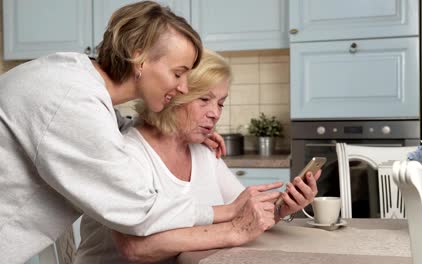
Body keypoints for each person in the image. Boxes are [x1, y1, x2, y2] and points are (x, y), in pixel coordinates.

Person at [0, 2, 227, 262]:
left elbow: (109, 129)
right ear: (138, 58)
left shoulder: (76, 79)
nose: (184, 88)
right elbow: (138, 213)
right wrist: (230, 215)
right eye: (178, 73)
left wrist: (176, 132)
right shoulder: (72, 99)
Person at [74, 50, 321, 264]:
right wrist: (235, 230)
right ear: (172, 96)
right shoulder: (127, 153)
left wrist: (281, 209)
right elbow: (138, 248)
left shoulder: (203, 150)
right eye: (204, 99)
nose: (215, 114)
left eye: (221, 103)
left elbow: (243, 214)